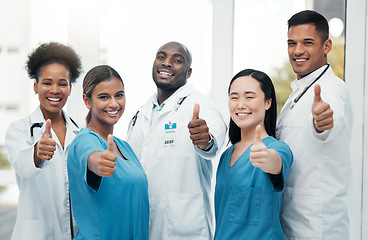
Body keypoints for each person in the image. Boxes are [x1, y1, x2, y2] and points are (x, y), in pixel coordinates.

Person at [126, 41, 227, 239]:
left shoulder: (199, 104)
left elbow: (216, 129)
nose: (167, 63)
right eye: (161, 57)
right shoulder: (141, 113)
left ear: (189, 72)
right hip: (144, 225)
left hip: (185, 228)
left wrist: (206, 139)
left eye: (177, 60)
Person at [276, 10, 353, 239]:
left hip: (318, 227)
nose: (297, 51)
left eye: (307, 43)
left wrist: (323, 123)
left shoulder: (331, 89)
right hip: (293, 220)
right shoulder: (299, 92)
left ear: (327, 46)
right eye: (292, 43)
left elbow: (331, 118)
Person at [5, 42, 82, 240]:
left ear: (70, 88)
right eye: (47, 83)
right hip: (35, 234)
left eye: (62, 84)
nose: (55, 90)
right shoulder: (20, 129)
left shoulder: (80, 133)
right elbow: (21, 164)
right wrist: (36, 152)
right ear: (35, 86)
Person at [67, 65, 149, 239]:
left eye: (119, 95)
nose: (114, 103)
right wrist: (99, 162)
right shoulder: (84, 140)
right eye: (104, 97)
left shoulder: (124, 147)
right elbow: (92, 157)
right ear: (87, 101)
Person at [214, 69, 293, 239]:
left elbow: (275, 162)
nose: (240, 104)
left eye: (249, 97)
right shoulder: (226, 155)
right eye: (234, 97)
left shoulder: (278, 149)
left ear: (268, 103)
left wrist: (266, 158)